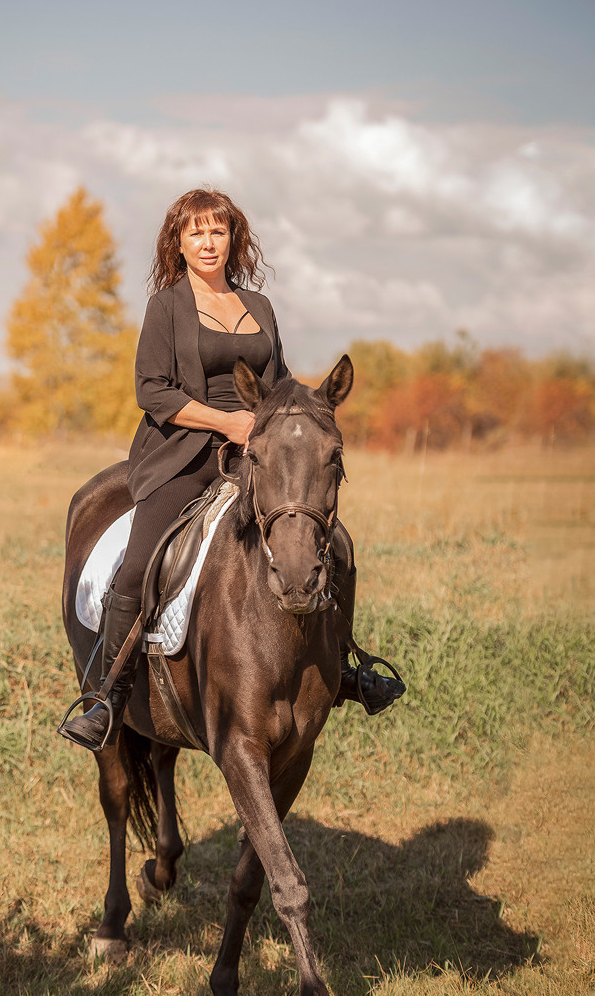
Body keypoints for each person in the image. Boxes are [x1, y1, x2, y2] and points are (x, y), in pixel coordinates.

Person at [60, 188, 404, 751]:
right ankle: (107, 697)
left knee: (331, 540)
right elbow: (153, 390)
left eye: (217, 231)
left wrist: (291, 419)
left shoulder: (259, 307)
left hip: (257, 453)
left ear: (233, 239)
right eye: (195, 232)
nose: (208, 242)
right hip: (183, 452)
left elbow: (280, 381)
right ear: (178, 242)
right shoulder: (166, 306)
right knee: (141, 559)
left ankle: (342, 666)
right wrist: (228, 423)